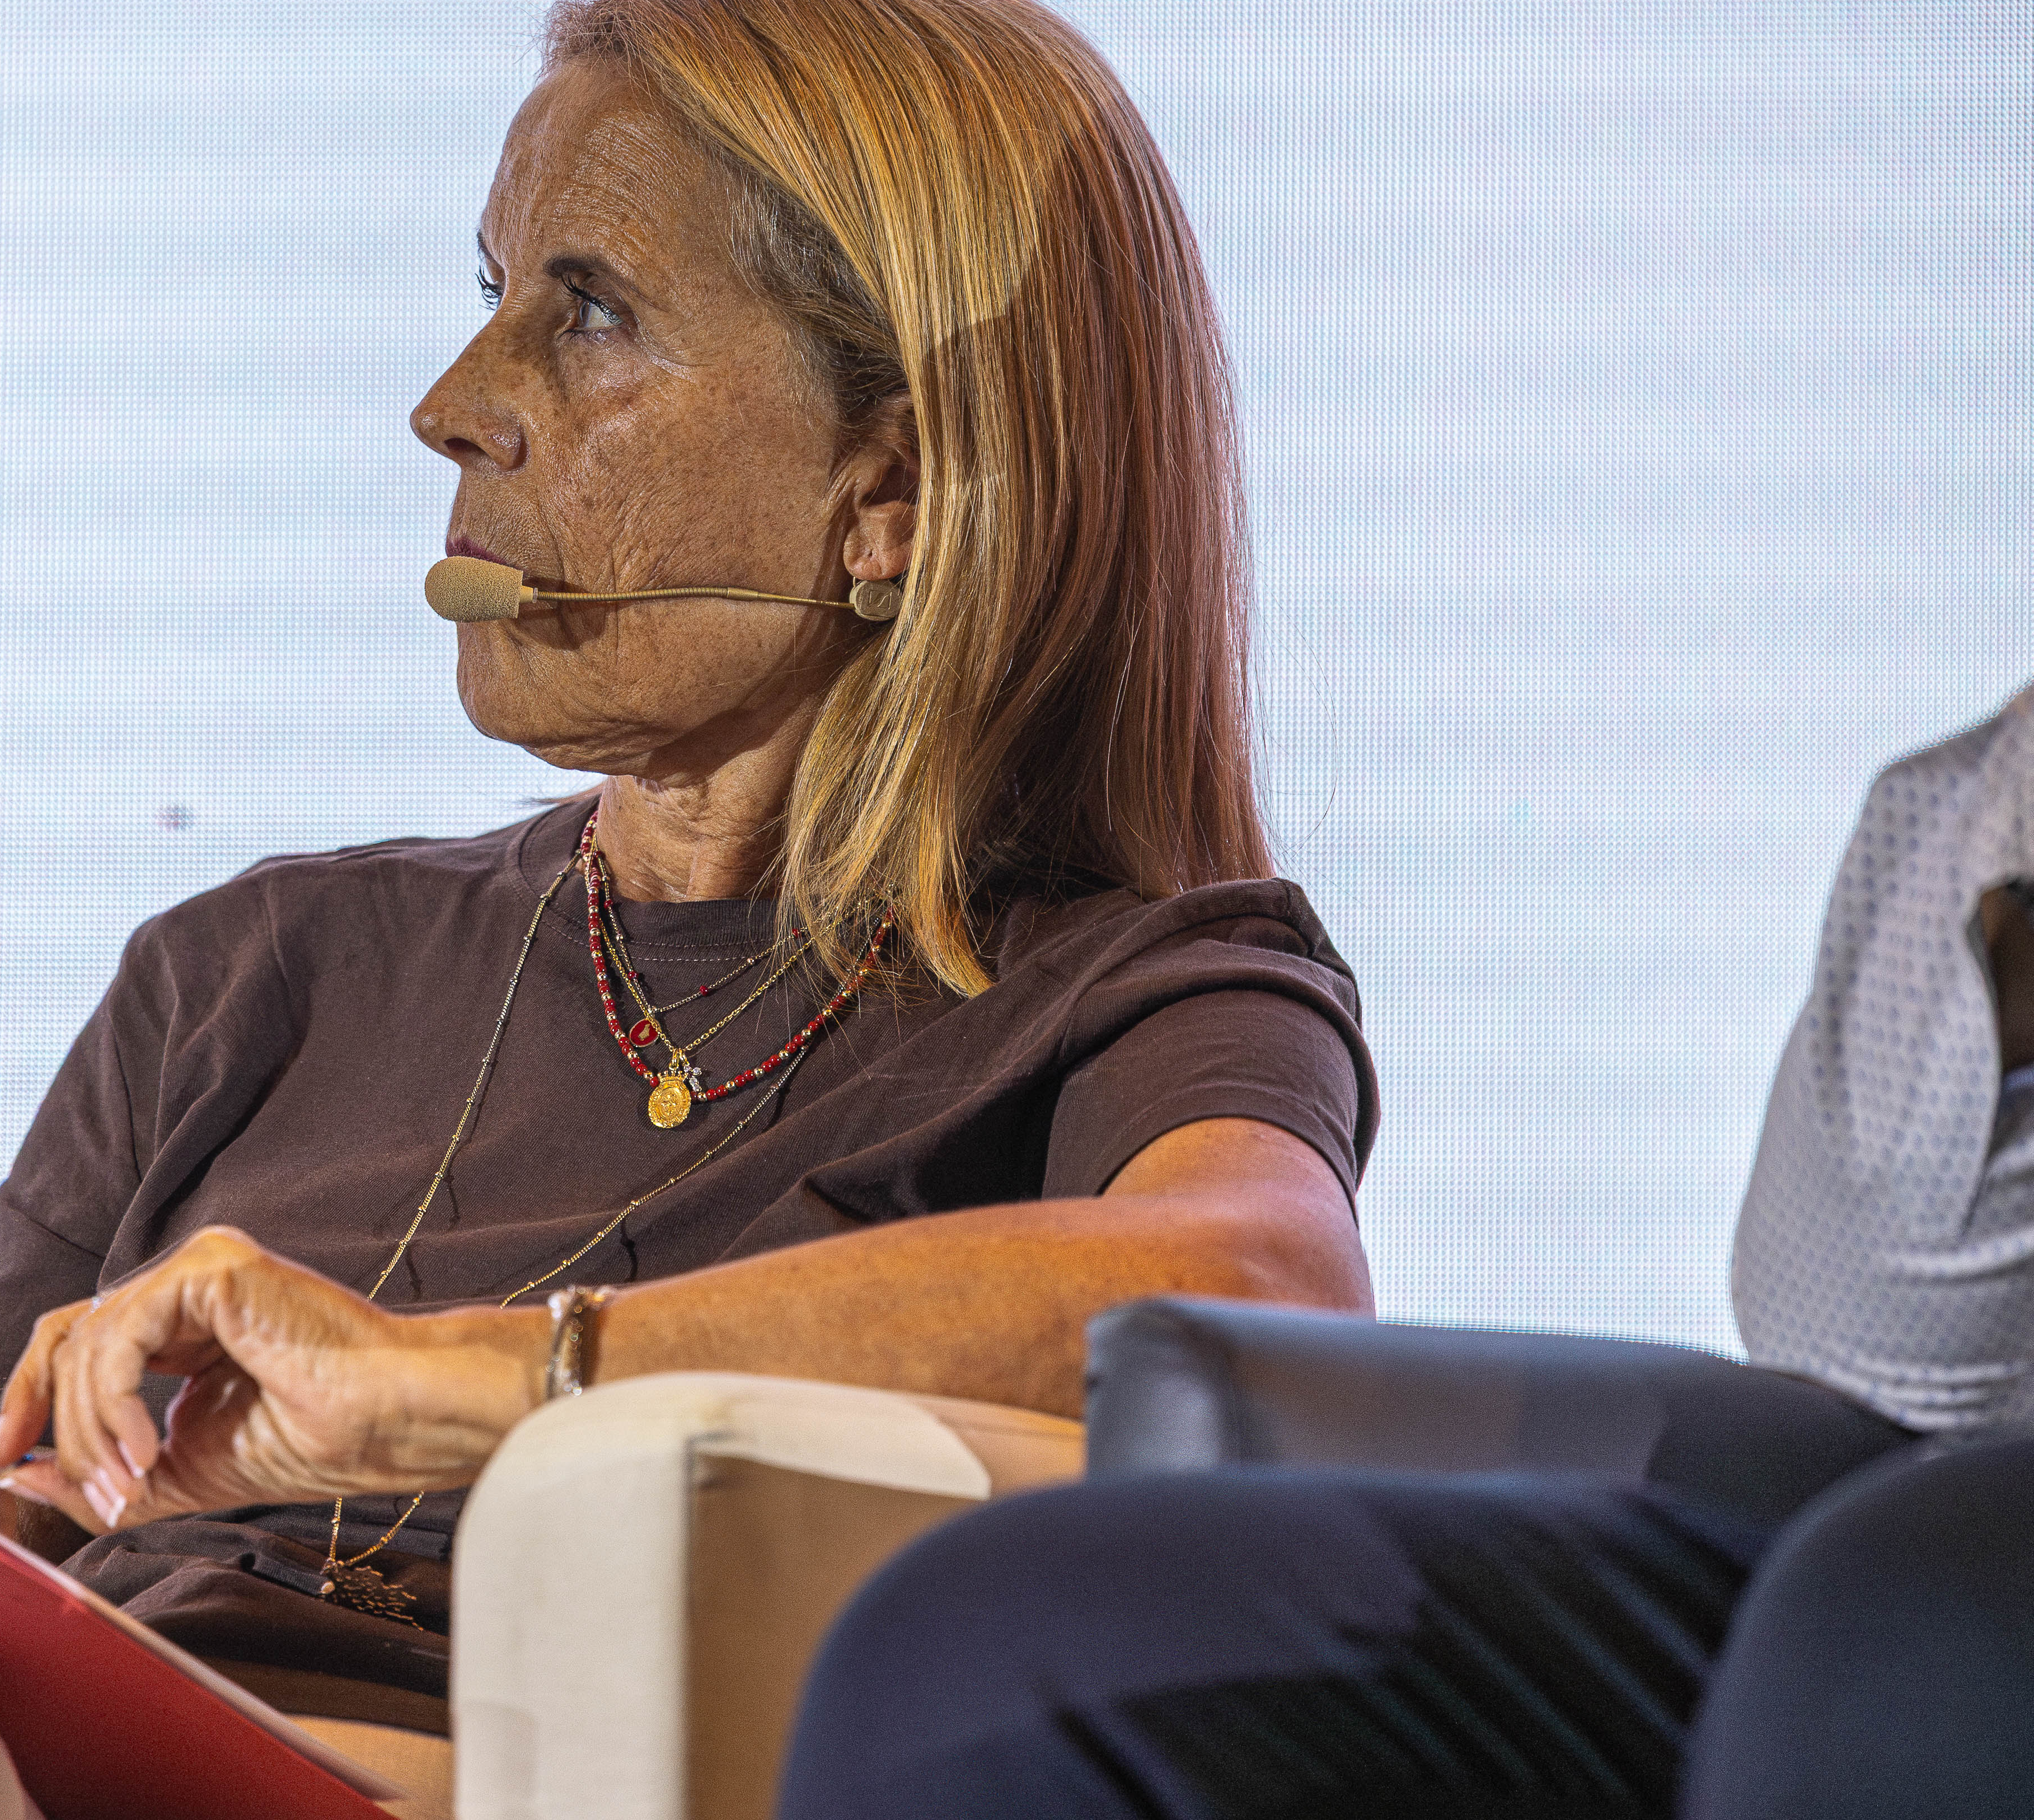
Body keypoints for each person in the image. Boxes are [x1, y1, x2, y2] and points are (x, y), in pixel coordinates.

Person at [0, 0, 1380, 1819]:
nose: (454, 410)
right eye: (489, 301)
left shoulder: (1136, 987)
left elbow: (1254, 1305)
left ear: (892, 491)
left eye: (593, 317)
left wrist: (480, 1383)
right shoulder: (255, 965)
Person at [776, 683, 2034, 1820]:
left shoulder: (1153, 977)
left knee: (1908, 1623)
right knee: (989, 1639)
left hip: (1922, 1594)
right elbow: (1872, 1325)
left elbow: (1244, 1270)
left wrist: (576, 1350)